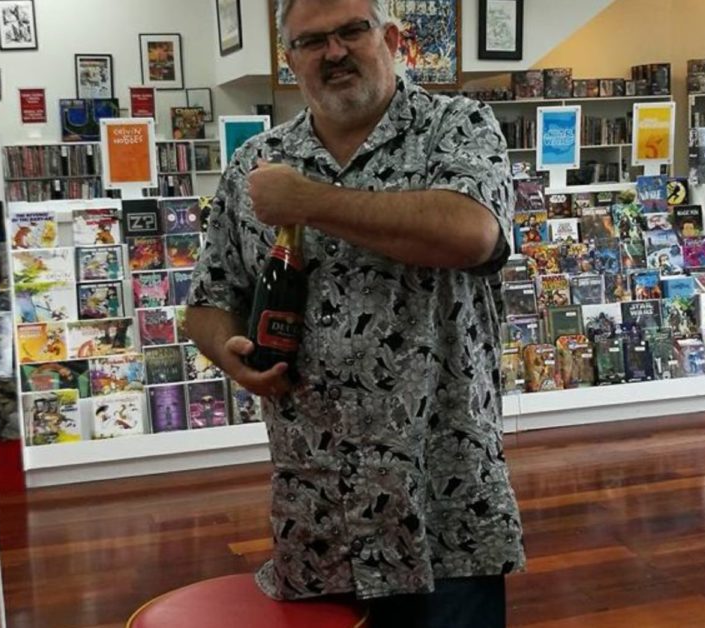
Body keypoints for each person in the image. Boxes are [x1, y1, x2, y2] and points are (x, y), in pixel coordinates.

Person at [183, 1, 524, 626]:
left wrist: (309, 201)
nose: (334, 52)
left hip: (446, 504)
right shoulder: (255, 165)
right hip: (317, 509)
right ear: (290, 61)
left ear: (390, 39)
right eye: (312, 41)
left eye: (351, 31)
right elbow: (209, 300)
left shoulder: (458, 126)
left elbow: (471, 234)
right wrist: (230, 354)